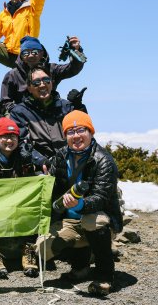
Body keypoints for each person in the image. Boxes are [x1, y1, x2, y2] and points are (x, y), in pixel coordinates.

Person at [36, 111, 122, 296]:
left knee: (92, 221)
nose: (76, 136)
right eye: (70, 132)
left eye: (81, 130)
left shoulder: (104, 161)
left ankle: (105, 274)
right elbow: (54, 188)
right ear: (65, 135)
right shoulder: (60, 157)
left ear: (91, 132)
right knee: (42, 247)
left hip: (99, 218)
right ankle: (81, 265)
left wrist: (79, 204)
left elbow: (101, 198)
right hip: (71, 221)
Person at [0, 117, 39, 279]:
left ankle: (28, 252)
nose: (9, 140)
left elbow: (31, 185)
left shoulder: (23, 154)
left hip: (19, 202)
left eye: (13, 136)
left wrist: (28, 164)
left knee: (33, 208)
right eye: (4, 137)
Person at [10, 65, 84, 171]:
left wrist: (78, 106)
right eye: (36, 82)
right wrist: (40, 161)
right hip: (39, 168)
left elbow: (84, 131)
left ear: (51, 83)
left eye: (46, 80)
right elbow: (21, 143)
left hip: (71, 161)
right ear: (29, 88)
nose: (42, 84)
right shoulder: (19, 112)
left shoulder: (66, 106)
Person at [1, 36, 85, 109]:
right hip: (24, 120)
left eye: (35, 52)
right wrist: (19, 113)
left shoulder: (52, 69)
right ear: (21, 56)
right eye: (26, 53)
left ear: (42, 53)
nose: (30, 55)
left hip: (50, 113)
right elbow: (6, 102)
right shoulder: (12, 75)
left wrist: (76, 50)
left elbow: (73, 69)